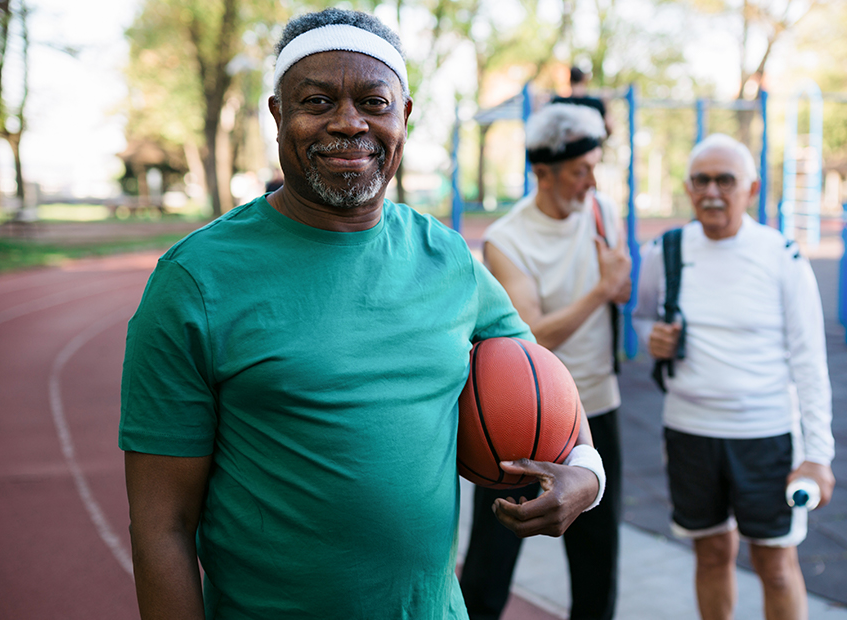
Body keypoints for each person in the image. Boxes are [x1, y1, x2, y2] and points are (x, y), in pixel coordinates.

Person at [119, 9, 605, 619]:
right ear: (276, 116)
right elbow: (162, 524)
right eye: (317, 101)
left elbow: (545, 381)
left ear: (403, 116)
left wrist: (587, 474)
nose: (349, 123)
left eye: (373, 102)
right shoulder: (195, 282)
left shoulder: (446, 257)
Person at [633, 134, 835, 620]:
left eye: (726, 180)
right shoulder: (667, 249)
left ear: (751, 187)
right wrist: (650, 339)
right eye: (701, 181)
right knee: (711, 553)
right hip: (689, 432)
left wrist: (818, 456)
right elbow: (643, 319)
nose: (712, 192)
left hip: (764, 436)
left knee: (776, 563)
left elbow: (810, 360)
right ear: (687, 187)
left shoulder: (781, 254)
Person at [459, 104, 630, 620]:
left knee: (598, 566)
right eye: (581, 171)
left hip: (596, 406)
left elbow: (622, 294)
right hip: (519, 418)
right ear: (543, 172)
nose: (591, 181)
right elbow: (529, 335)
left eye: (596, 167)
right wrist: (603, 290)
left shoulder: (602, 213)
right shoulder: (509, 239)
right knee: (491, 569)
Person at [551, 67, 612, 138]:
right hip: (591, 147)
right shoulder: (596, 104)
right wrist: (606, 105)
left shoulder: (558, 103)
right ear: (584, 80)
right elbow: (609, 130)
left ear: (570, 81)